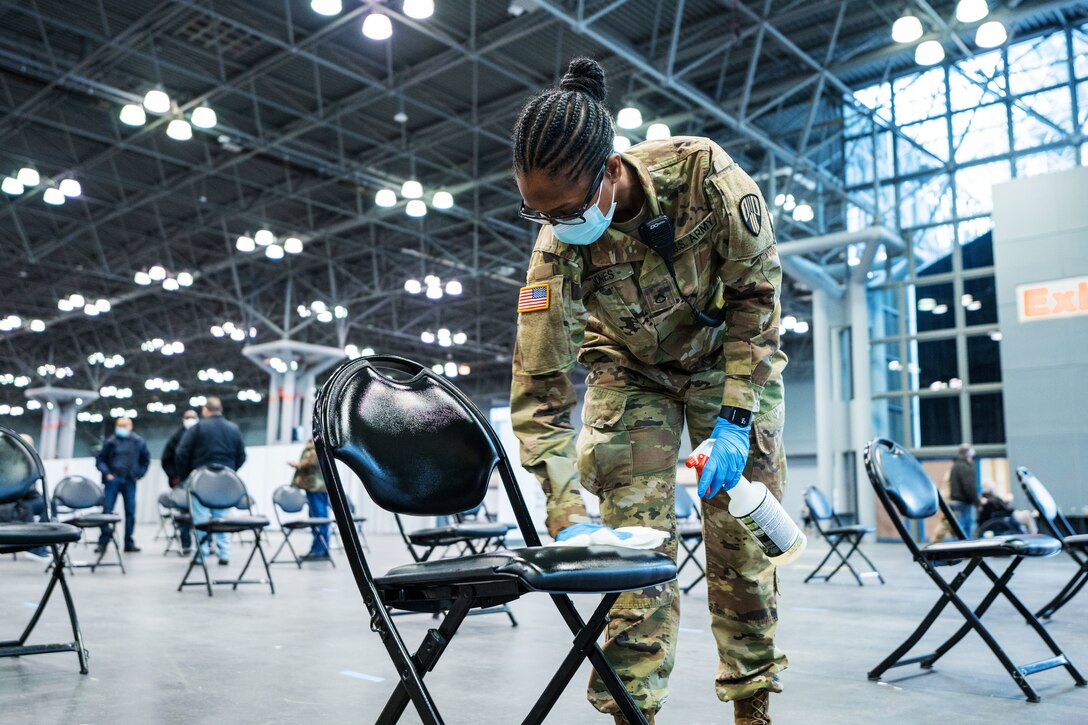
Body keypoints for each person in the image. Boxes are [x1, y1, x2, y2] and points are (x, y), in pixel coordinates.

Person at [510, 58, 787, 725]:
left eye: (568, 207)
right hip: (632, 373)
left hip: (727, 358)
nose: (555, 223)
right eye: (536, 210)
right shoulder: (556, 246)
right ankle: (632, 715)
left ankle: (753, 707)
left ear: (609, 170)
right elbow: (539, 388)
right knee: (633, 548)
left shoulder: (704, 175)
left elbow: (757, 297)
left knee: (741, 542)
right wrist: (565, 506)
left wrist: (734, 418)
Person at [175, 396, 246, 566]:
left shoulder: (198, 428)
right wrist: (229, 473)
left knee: (201, 518)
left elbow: (181, 453)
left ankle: (201, 554)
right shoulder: (234, 429)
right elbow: (242, 455)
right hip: (225, 480)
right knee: (222, 517)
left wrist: (186, 476)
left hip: (201, 479)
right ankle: (224, 554)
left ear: (205, 410)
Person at [94, 417, 150, 553]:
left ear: (130, 426)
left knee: (130, 512)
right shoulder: (110, 441)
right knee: (107, 510)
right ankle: (103, 541)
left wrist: (139, 474)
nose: (122, 428)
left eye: (124, 426)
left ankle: (128, 542)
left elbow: (145, 460)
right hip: (113, 480)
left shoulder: (139, 442)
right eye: (120, 426)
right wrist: (107, 473)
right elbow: (100, 460)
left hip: (130, 480)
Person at [0, 433, 50, 557]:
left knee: (48, 503)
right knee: (28, 507)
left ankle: (42, 541)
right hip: (10, 503)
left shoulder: (30, 464)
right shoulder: (6, 463)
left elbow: (32, 490)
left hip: (28, 499)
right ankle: (33, 543)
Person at [162, 409, 199, 553]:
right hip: (181, 481)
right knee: (184, 513)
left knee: (202, 513)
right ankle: (186, 544)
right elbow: (166, 460)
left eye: (193, 417)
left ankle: (204, 544)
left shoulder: (202, 435)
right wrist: (174, 476)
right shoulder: (176, 438)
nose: (190, 420)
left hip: (199, 482)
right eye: (188, 417)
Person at [287, 439, 331, 561]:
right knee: (318, 517)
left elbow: (313, 461)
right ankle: (321, 548)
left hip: (315, 486)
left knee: (318, 518)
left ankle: (319, 550)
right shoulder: (321, 439)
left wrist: (297, 464)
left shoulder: (318, 440)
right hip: (317, 486)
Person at [949, 443, 979, 538]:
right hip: (964, 503)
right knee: (967, 528)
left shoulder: (956, 465)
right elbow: (969, 487)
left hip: (955, 501)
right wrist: (977, 502)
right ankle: (966, 550)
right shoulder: (966, 467)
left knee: (958, 528)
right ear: (968, 453)